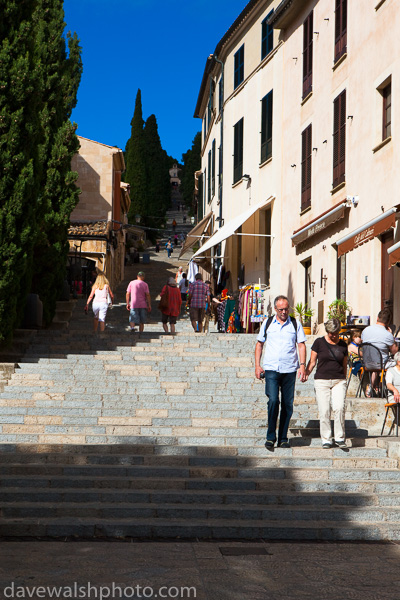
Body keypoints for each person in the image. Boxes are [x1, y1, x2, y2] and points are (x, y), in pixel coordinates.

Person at [255, 295, 307, 449]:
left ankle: (283, 438)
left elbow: (301, 345)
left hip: (289, 369)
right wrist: (257, 366)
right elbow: (259, 345)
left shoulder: (295, 324)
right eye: (281, 309)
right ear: (275, 309)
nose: (284, 312)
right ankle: (271, 436)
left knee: (287, 404)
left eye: (286, 309)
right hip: (271, 369)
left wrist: (302, 365)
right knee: (273, 401)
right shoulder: (268, 322)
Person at [305, 318, 348, 449]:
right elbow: (312, 361)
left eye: (336, 333)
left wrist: (344, 379)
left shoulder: (343, 345)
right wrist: (306, 372)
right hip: (321, 380)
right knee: (324, 410)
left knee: (339, 407)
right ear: (327, 331)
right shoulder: (319, 342)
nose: (333, 335)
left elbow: (345, 364)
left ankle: (340, 437)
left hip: (338, 380)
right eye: (331, 333)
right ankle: (326, 439)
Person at [361, 308, 398, 396]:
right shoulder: (387, 334)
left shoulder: (365, 330)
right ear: (388, 322)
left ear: (377, 318)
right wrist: (391, 335)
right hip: (380, 364)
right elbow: (394, 351)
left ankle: (372, 385)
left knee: (378, 361)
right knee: (396, 363)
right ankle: (391, 389)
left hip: (366, 363)